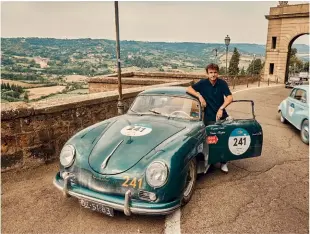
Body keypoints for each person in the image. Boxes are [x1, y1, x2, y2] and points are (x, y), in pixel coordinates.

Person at [186, 63, 233, 173]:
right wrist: (199, 96)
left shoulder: (222, 83)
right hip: (208, 117)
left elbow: (230, 97)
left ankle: (223, 162)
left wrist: (222, 108)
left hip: (221, 116)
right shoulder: (203, 83)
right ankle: (211, 160)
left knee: (223, 139)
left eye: (215, 72)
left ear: (218, 73)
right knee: (210, 140)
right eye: (211, 73)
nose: (213, 75)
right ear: (207, 73)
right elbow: (188, 89)